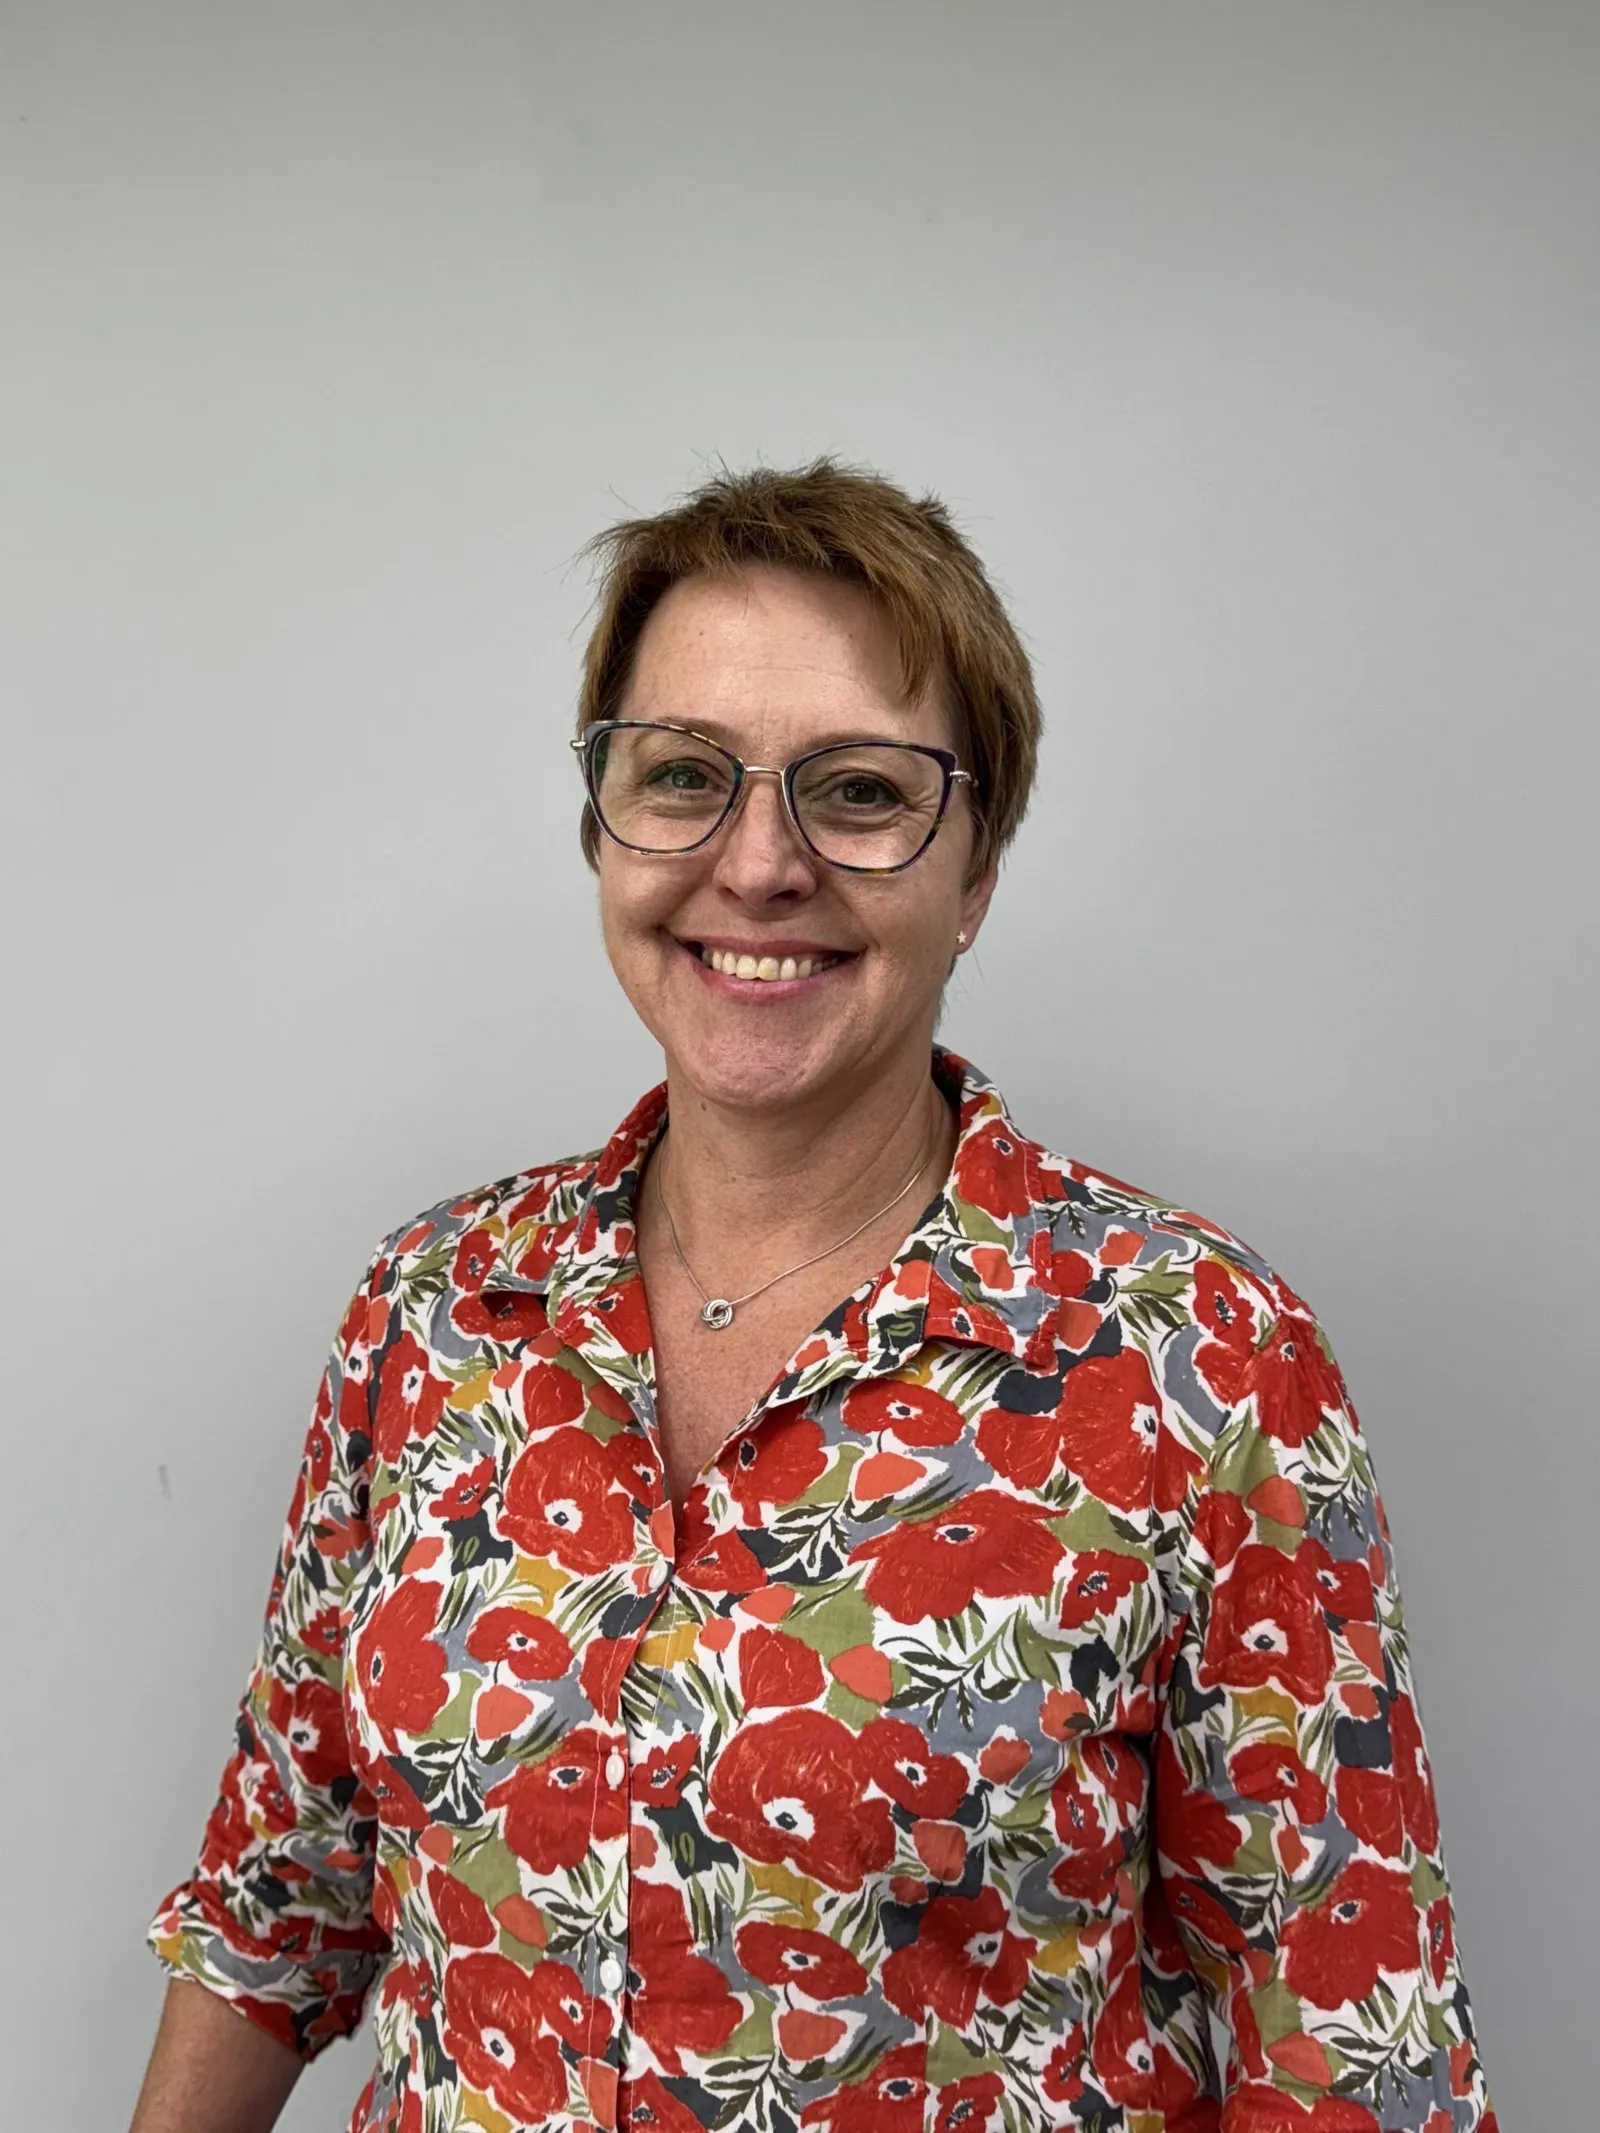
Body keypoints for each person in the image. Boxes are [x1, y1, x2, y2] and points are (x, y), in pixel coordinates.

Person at [133, 461, 1496, 2133]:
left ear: (975, 873)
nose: (760, 863)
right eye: (683, 775)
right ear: (602, 829)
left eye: (856, 791)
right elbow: (282, 1895)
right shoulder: (436, 1310)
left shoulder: (1196, 1359)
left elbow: (1354, 2048)